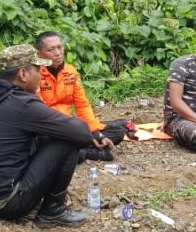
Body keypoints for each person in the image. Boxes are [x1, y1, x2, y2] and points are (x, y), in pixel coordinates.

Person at [0, 44, 92, 227]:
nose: (40, 76)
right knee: (66, 142)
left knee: (47, 133)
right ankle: (52, 211)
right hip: (5, 203)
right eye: (38, 70)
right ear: (23, 74)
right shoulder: (22, 104)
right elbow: (82, 133)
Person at [35, 31, 130, 162]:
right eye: (51, 49)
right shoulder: (34, 74)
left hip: (69, 124)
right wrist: (74, 129)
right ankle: (85, 152)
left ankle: (79, 149)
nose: (57, 53)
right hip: (48, 128)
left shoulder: (70, 71)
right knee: (46, 143)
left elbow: (82, 105)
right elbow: (39, 112)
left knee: (117, 131)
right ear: (39, 54)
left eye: (59, 47)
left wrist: (96, 133)